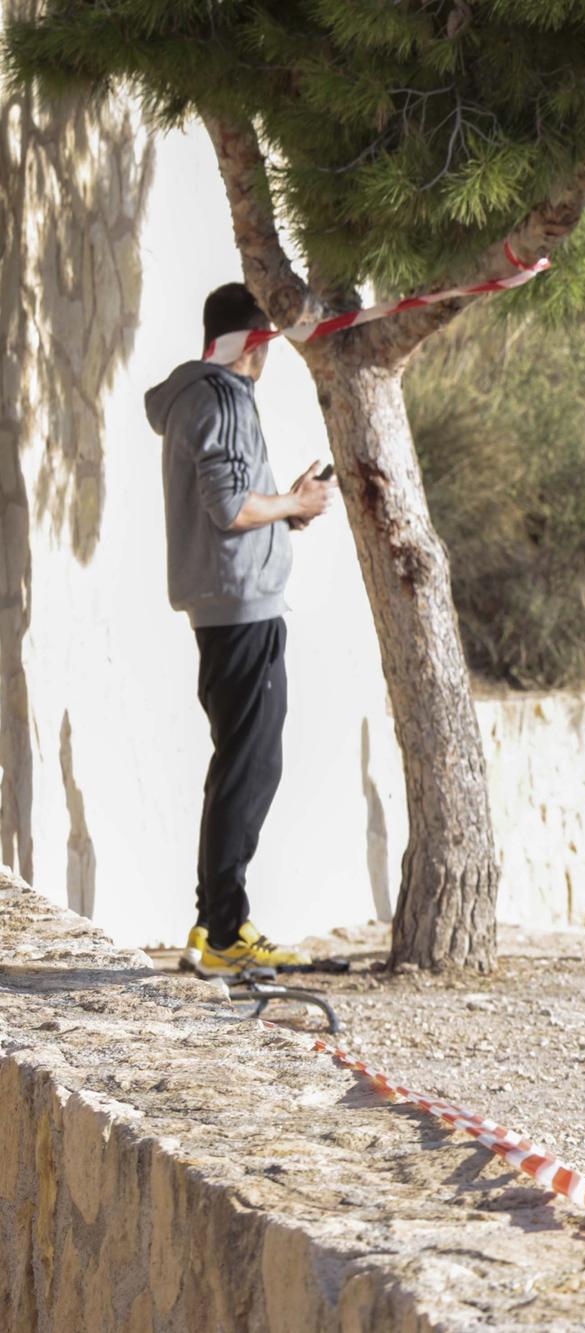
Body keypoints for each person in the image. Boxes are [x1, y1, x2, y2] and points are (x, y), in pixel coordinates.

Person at [146, 283, 338, 976]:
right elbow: (228, 507)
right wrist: (296, 500)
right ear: (253, 339)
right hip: (241, 608)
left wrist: (287, 510)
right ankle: (223, 929)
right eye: (268, 341)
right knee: (249, 768)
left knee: (243, 763)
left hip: (231, 603)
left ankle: (215, 926)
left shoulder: (200, 397)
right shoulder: (222, 397)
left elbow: (227, 505)